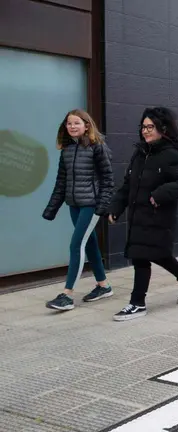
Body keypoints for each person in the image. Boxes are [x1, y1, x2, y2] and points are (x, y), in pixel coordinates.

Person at [108, 107, 178, 321]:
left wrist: (160, 194)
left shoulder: (170, 154)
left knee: (141, 256)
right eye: (143, 127)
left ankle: (137, 303)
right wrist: (116, 207)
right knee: (158, 254)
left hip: (158, 215)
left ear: (162, 129)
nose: (146, 131)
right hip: (138, 215)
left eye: (151, 127)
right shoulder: (140, 153)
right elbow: (128, 184)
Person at [43, 109, 115, 311]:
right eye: (69, 123)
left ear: (87, 125)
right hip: (73, 204)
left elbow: (108, 180)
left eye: (76, 123)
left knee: (76, 245)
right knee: (89, 243)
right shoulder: (67, 150)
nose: (72, 126)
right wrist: (51, 209)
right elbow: (61, 183)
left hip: (91, 205)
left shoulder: (97, 147)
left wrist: (101, 207)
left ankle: (67, 295)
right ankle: (103, 286)